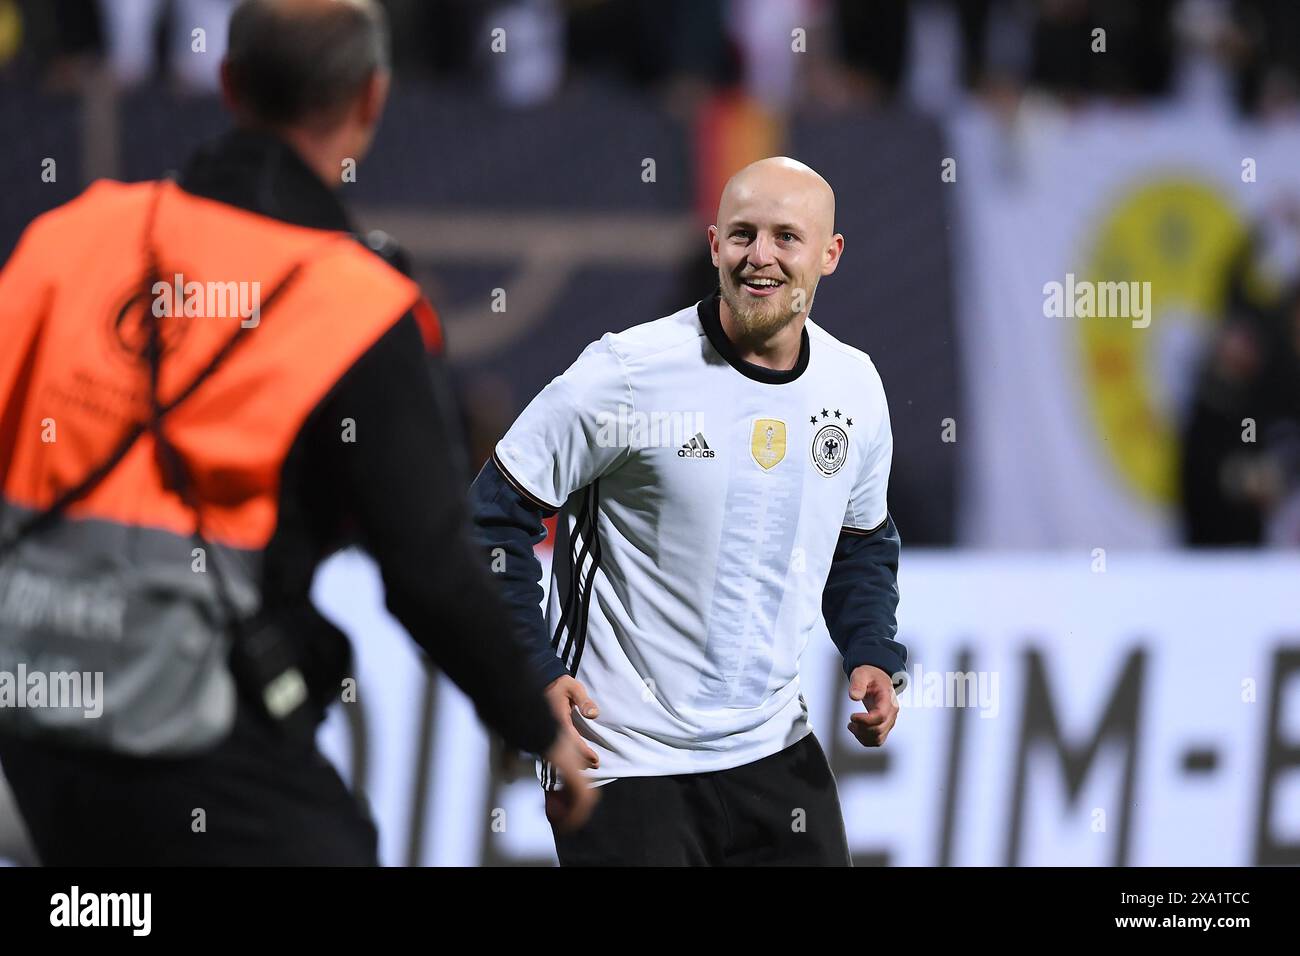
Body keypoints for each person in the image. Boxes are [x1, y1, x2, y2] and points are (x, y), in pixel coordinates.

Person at [0, 0, 592, 866]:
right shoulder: (360, 305)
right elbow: (429, 570)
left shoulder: (69, 235)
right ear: (371, 101)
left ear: (229, 82)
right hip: (180, 734)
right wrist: (532, 722)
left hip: (26, 722)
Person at [470, 156, 907, 866]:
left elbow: (860, 540)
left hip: (772, 750)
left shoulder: (854, 386)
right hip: (624, 761)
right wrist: (533, 673)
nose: (759, 256)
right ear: (713, 245)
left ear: (830, 254)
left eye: (785, 237)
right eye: (741, 234)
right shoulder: (627, 373)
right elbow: (490, 520)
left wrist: (871, 650)